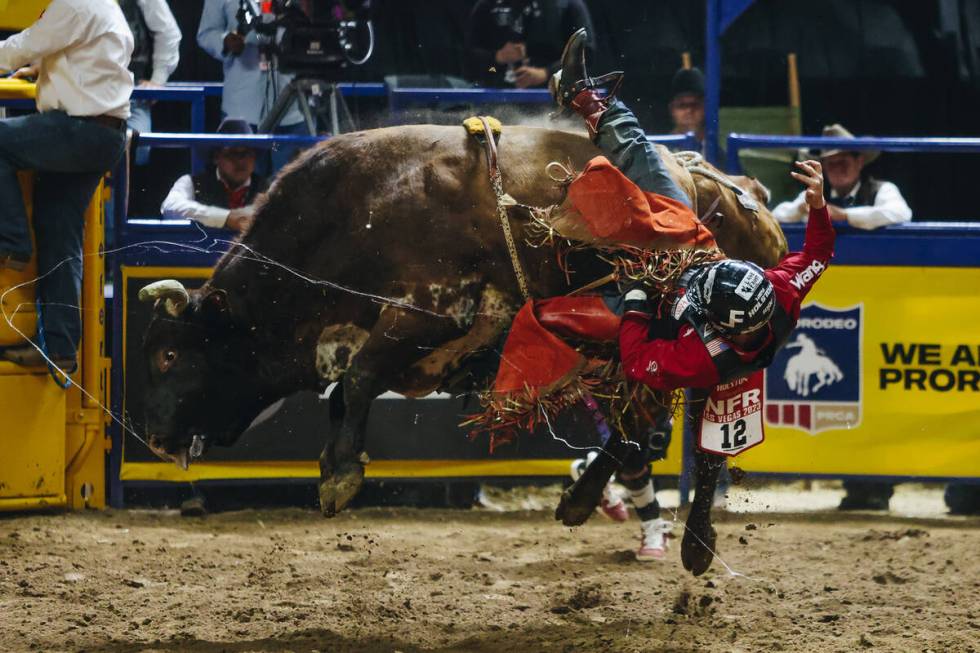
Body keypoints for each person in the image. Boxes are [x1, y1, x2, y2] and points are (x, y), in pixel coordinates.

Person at [552, 29, 834, 559]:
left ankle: (693, 508)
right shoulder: (781, 287)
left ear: (710, 319)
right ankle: (587, 98)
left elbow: (639, 362)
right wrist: (818, 205)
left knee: (602, 342)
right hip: (711, 279)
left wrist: (637, 298)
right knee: (657, 173)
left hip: (675, 316)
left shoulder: (695, 354)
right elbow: (817, 253)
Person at [0, 0, 132, 370]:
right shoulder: (104, 6)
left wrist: (29, 63)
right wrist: (42, 70)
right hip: (102, 133)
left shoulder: (76, 3)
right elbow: (75, 55)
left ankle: (11, 243)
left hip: (78, 129)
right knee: (60, 236)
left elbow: (21, 46)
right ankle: (59, 350)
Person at [197, 0, 305, 170]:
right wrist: (225, 41)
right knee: (245, 188)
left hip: (293, 108)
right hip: (242, 109)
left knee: (292, 187)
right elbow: (206, 33)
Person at [773, 124, 912, 230]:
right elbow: (776, 215)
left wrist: (845, 215)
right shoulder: (814, 194)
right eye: (830, 164)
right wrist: (800, 208)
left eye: (843, 162)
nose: (837, 168)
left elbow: (901, 213)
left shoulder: (883, 189)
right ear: (823, 168)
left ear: (859, 162)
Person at [161, 118, 268, 233]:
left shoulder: (267, 188)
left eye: (247, 153)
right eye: (233, 153)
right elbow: (170, 207)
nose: (240, 160)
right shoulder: (191, 182)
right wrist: (225, 218)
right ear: (216, 157)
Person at [464, 0, 595, 89]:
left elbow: (585, 54)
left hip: (553, 97)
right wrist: (497, 57)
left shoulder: (568, 5)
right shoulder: (488, 5)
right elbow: (467, 54)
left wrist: (547, 73)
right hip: (494, 94)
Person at [120, 0, 181, 166]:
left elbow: (168, 32)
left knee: (137, 151)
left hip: (130, 90)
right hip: (89, 89)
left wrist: (158, 80)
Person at [668, 66, 705, 144]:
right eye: (682, 105)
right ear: (672, 110)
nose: (689, 111)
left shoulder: (716, 153)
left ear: (704, 108)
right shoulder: (659, 152)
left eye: (695, 105)